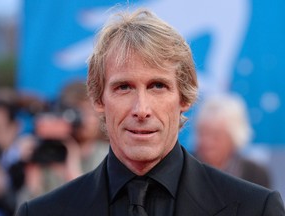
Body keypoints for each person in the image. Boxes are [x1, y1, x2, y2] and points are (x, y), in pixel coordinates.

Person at [16, 8, 285, 216]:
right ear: (98, 99)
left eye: (157, 86)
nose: (141, 109)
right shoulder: (41, 212)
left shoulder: (255, 208)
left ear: (185, 97)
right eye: (124, 87)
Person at [194, 93, 271, 188]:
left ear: (233, 138)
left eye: (216, 136)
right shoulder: (185, 168)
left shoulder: (256, 174)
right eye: (202, 133)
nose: (206, 142)